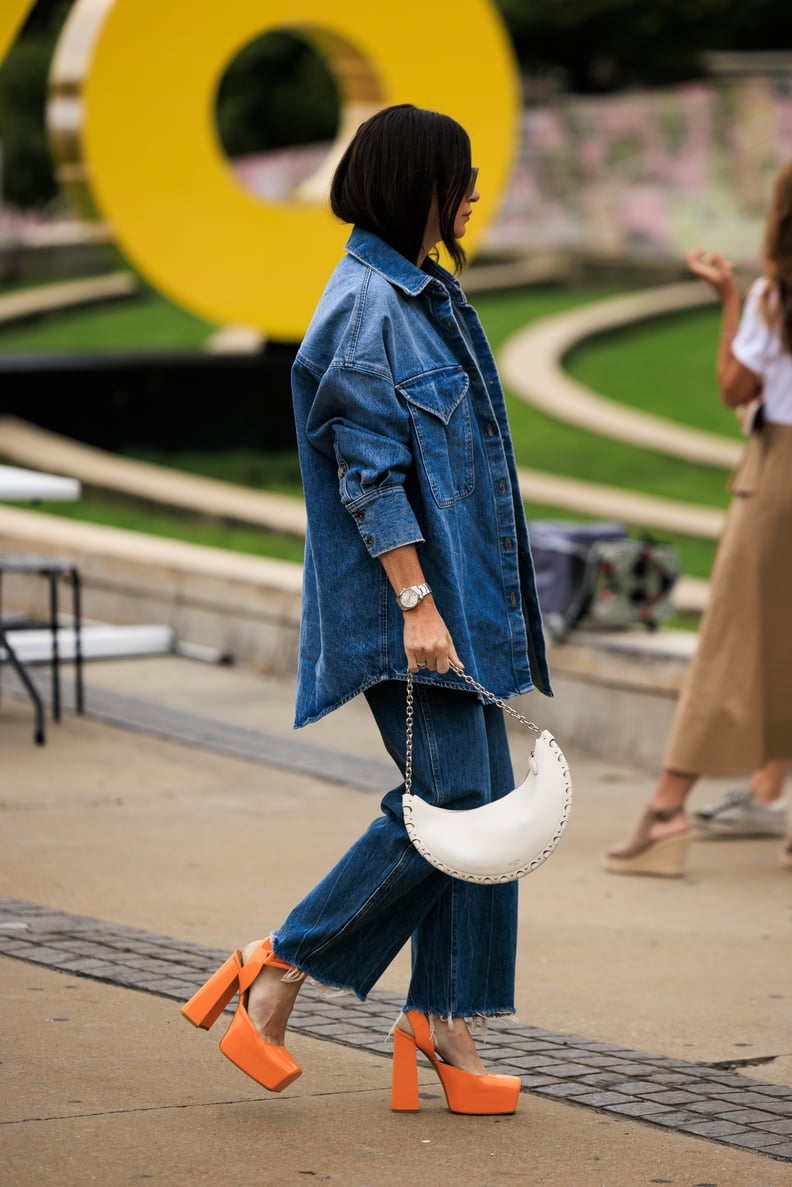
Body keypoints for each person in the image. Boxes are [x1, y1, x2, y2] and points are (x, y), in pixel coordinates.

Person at [181, 104, 552, 1114]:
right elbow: (369, 475)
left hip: (460, 605)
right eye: (459, 175)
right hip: (409, 614)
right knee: (454, 812)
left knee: (478, 813)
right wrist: (416, 604)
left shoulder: (425, 293)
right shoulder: (365, 309)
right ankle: (279, 963)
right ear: (413, 183)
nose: (475, 191)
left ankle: (444, 1018)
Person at [606, 160, 792, 878]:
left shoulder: (777, 296)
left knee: (729, 643)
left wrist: (729, 298)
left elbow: (732, 387)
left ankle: (666, 809)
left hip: (779, 478)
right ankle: (759, 793)